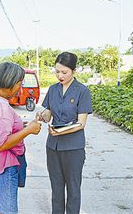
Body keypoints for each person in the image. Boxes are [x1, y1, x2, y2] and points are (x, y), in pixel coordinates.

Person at [0, 62, 42, 214]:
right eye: (20, 84)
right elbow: (2, 143)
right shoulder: (1, 107)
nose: (20, 89)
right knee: (7, 210)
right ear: (12, 83)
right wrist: (29, 130)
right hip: (5, 165)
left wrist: (20, 125)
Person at [36, 52, 92, 214]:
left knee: (73, 191)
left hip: (73, 148)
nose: (60, 76)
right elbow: (49, 113)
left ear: (74, 71)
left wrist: (59, 131)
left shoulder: (82, 91)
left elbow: (81, 123)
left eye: (64, 72)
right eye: (57, 72)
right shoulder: (53, 90)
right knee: (56, 189)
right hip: (53, 147)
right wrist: (42, 115)